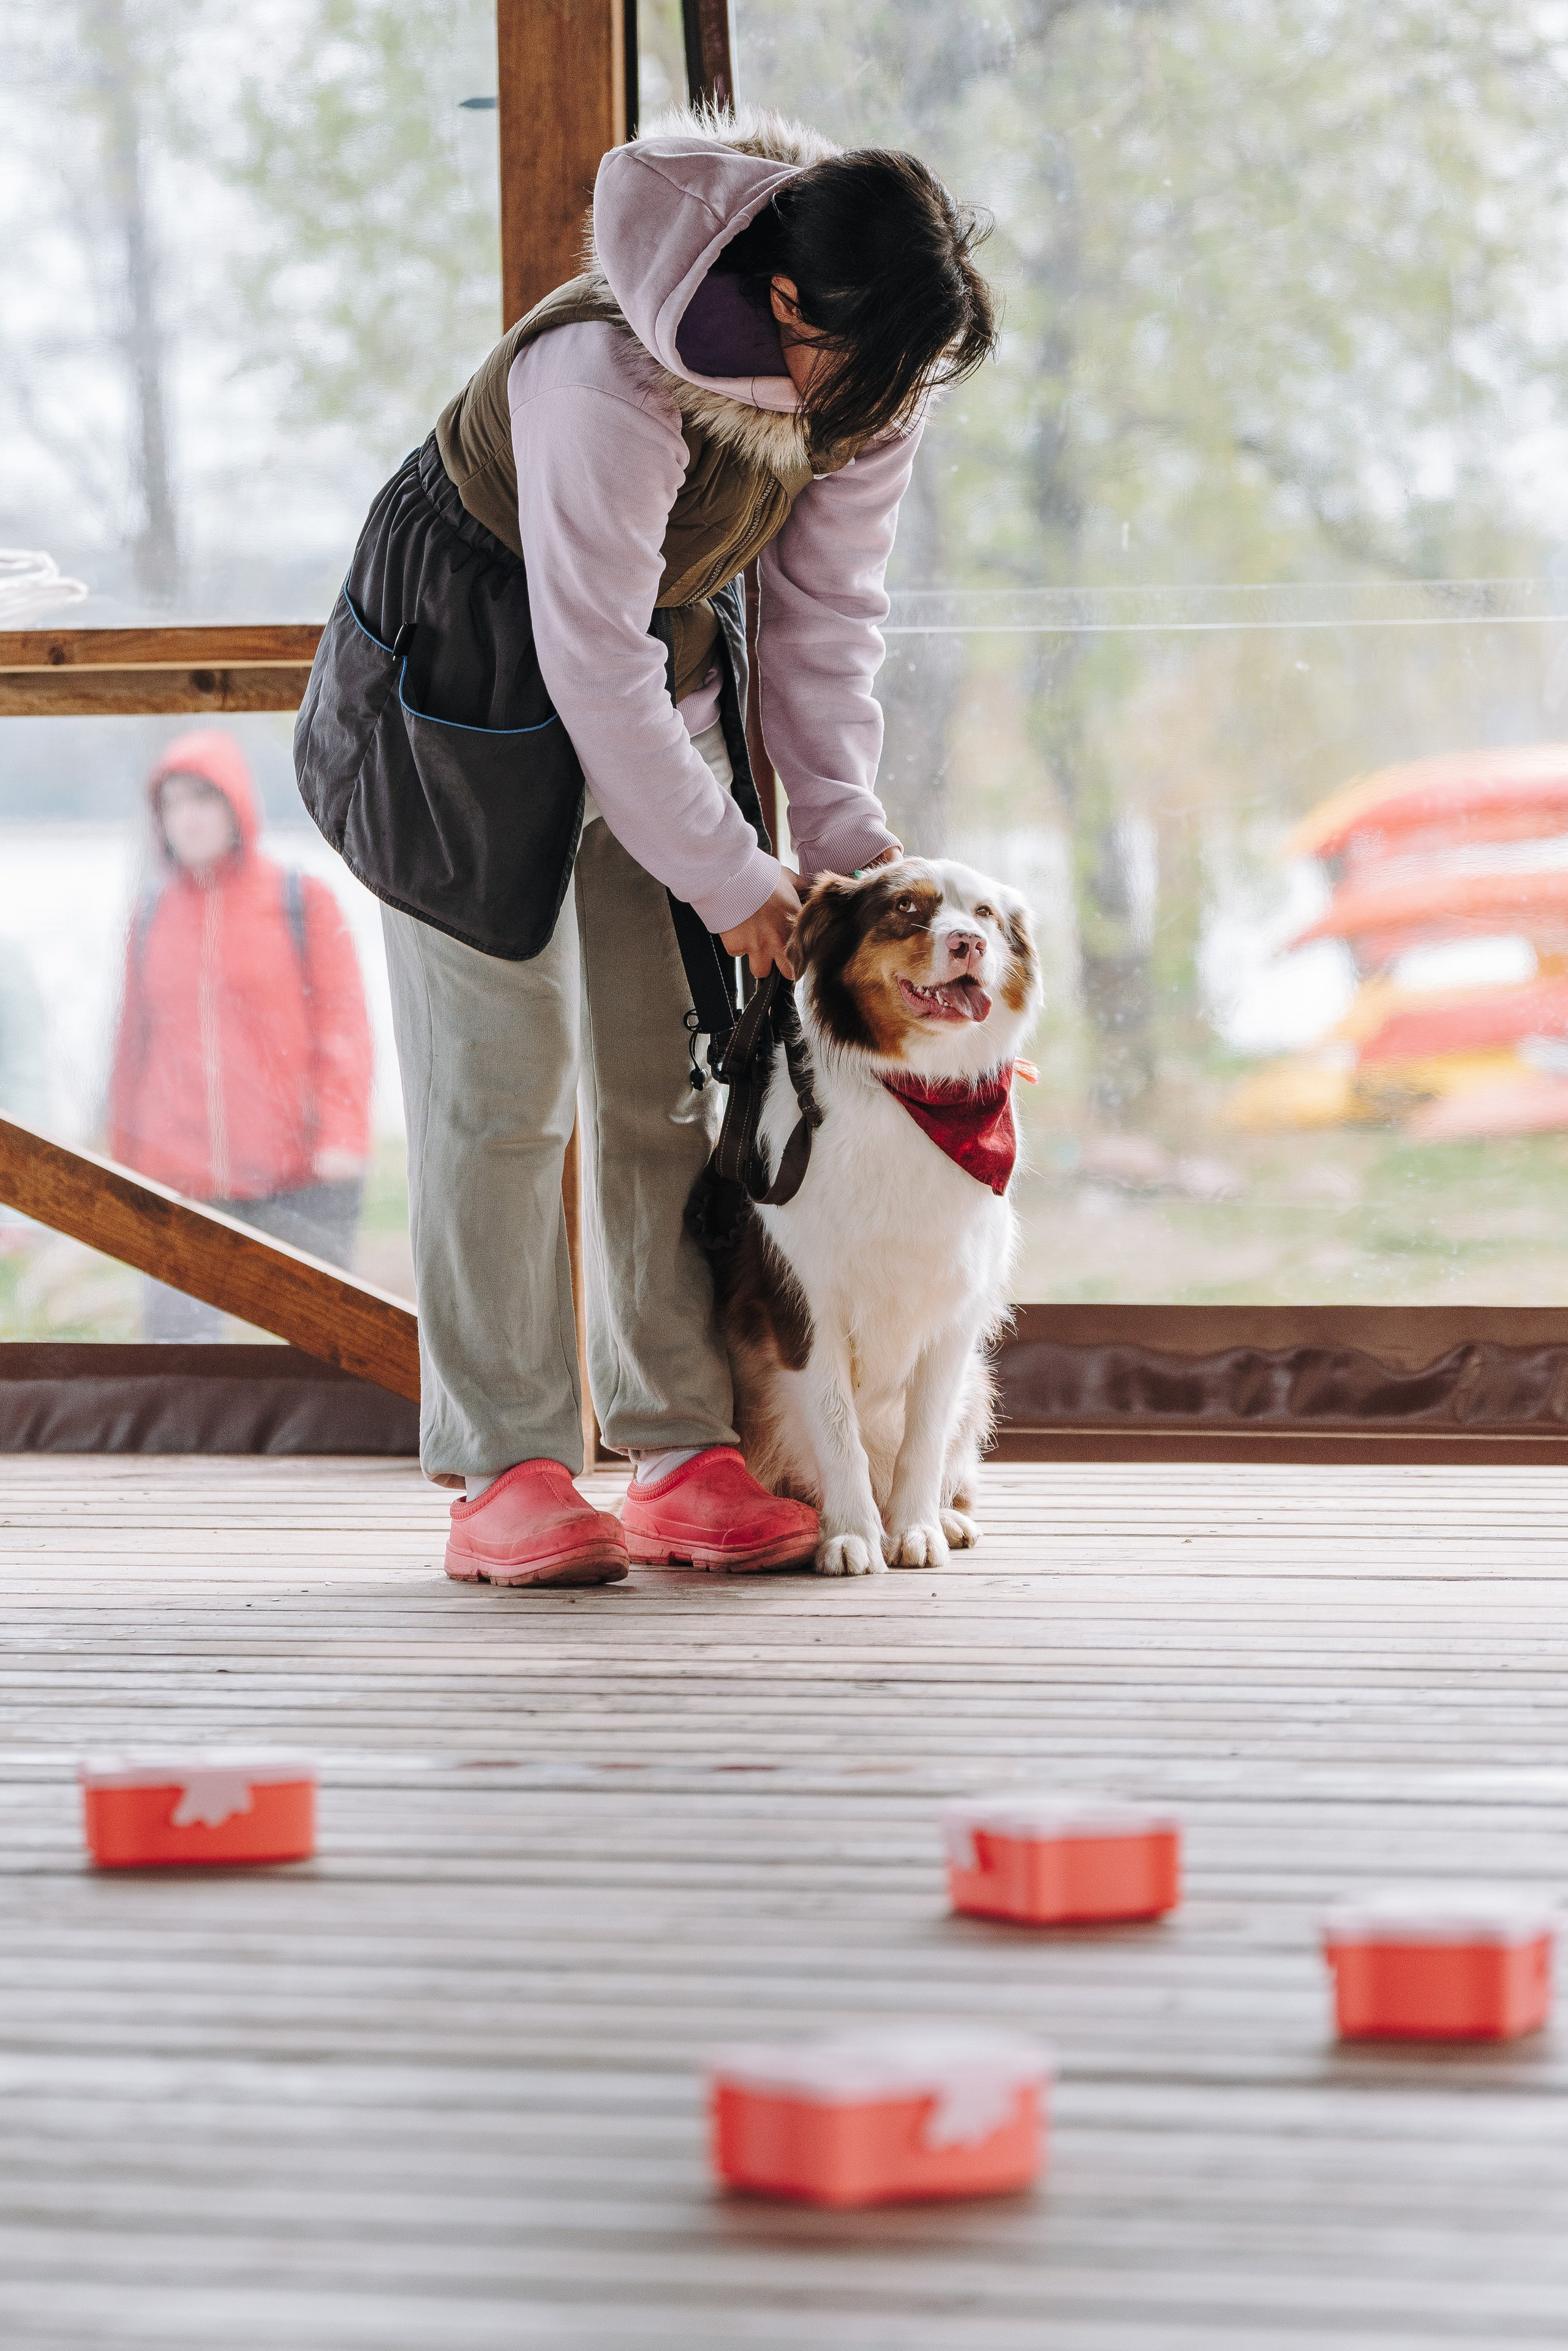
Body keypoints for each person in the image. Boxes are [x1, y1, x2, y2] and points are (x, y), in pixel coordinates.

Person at [295, 105, 995, 1585]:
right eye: (863, 374)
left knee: (665, 1075)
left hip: (655, 681)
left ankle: (679, 1446)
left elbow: (822, 626)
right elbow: (586, 661)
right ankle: (507, 1470)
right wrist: (737, 879)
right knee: (498, 1090)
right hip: (461, 683)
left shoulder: (871, 378)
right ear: (789, 305)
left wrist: (846, 864)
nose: (879, 414)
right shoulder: (600, 372)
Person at [108, 730, 374, 1338]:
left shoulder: (300, 899)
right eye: (171, 802)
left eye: (203, 798)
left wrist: (341, 1134)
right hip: (181, 1176)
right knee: (180, 1359)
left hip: (292, 1170)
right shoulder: (150, 914)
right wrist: (124, 1158)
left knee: (320, 1345)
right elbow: (132, 1046)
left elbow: (345, 1030)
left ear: (236, 804)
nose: (188, 817)